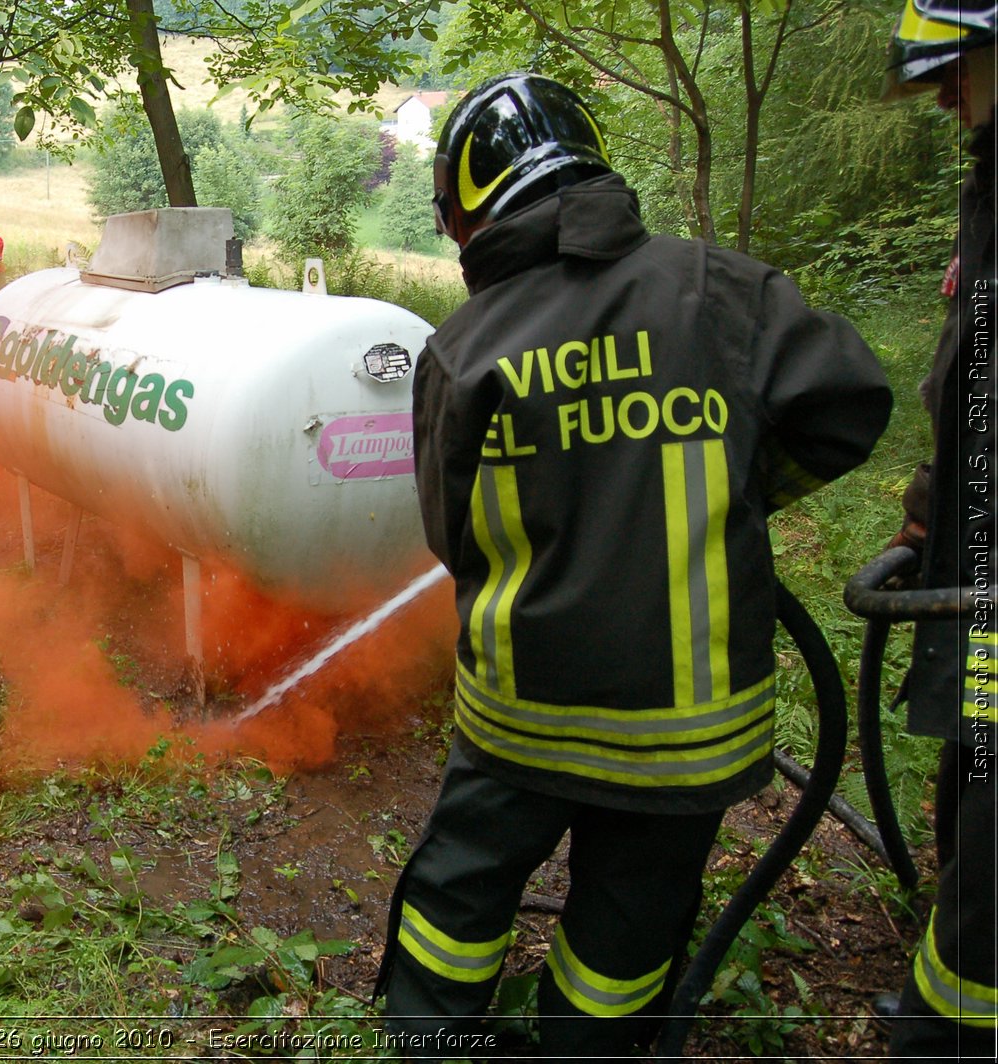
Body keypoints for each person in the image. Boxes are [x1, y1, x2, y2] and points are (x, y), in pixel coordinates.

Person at [375, 73, 893, 1061]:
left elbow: (453, 533)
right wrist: (726, 492)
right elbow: (849, 407)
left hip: (524, 719)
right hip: (689, 735)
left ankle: (431, 1040)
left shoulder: (465, 346)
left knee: (460, 891)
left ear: (470, 205)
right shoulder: (728, 292)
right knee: (630, 921)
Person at [876, 2, 997, 1056]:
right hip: (976, 539)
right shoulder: (989, 179)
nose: (943, 90)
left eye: (956, 65)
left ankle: (952, 1027)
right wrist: (932, 494)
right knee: (976, 750)